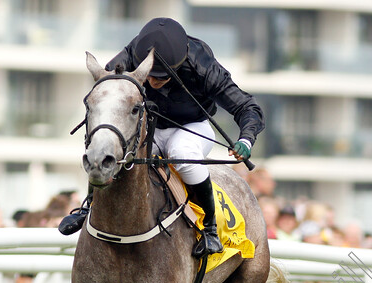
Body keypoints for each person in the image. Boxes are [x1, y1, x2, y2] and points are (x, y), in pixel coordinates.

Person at [58, 17, 265, 258]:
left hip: (192, 127)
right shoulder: (131, 56)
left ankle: (209, 229)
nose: (154, 83)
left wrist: (246, 139)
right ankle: (89, 206)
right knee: (111, 147)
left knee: (181, 153)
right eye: (150, 78)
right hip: (148, 128)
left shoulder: (203, 66)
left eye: (161, 77)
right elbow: (108, 95)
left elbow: (247, 106)